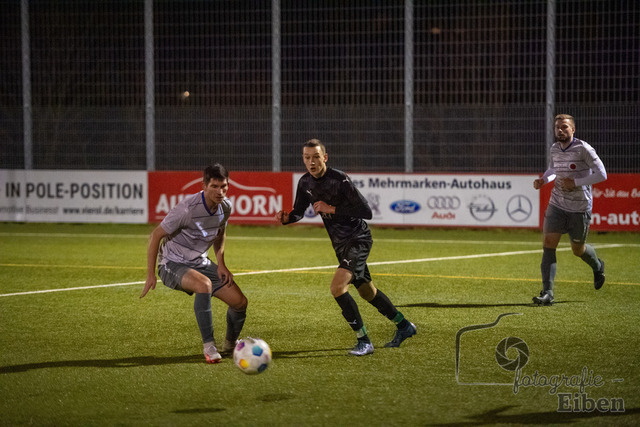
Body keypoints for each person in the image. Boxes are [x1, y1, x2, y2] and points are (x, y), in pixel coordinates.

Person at [275, 139, 416, 356]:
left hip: (358, 239)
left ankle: (364, 341)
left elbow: (366, 211)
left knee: (337, 288)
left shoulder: (340, 179)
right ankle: (404, 326)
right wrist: (287, 219)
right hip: (340, 244)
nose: (311, 162)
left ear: (325, 158)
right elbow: (299, 211)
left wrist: (331, 208)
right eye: (307, 157)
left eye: (316, 157)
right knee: (367, 292)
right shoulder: (304, 183)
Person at [141, 164, 247, 363]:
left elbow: (220, 233)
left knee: (240, 303)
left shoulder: (225, 206)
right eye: (214, 186)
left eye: (223, 187)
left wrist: (221, 263)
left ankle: (230, 344)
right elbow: (155, 236)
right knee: (203, 285)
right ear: (204, 185)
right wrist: (150, 274)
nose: (220, 192)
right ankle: (209, 346)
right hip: (172, 263)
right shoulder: (187, 209)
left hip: (200, 261)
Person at [532, 114, 607, 305]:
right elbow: (553, 170)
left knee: (578, 250)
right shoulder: (554, 148)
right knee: (549, 244)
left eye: (564, 127)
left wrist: (575, 182)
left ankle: (597, 265)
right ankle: (547, 293)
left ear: (573, 129)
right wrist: (544, 180)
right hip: (557, 204)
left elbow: (602, 174)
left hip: (579, 207)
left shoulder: (584, 149)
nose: (560, 130)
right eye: (557, 127)